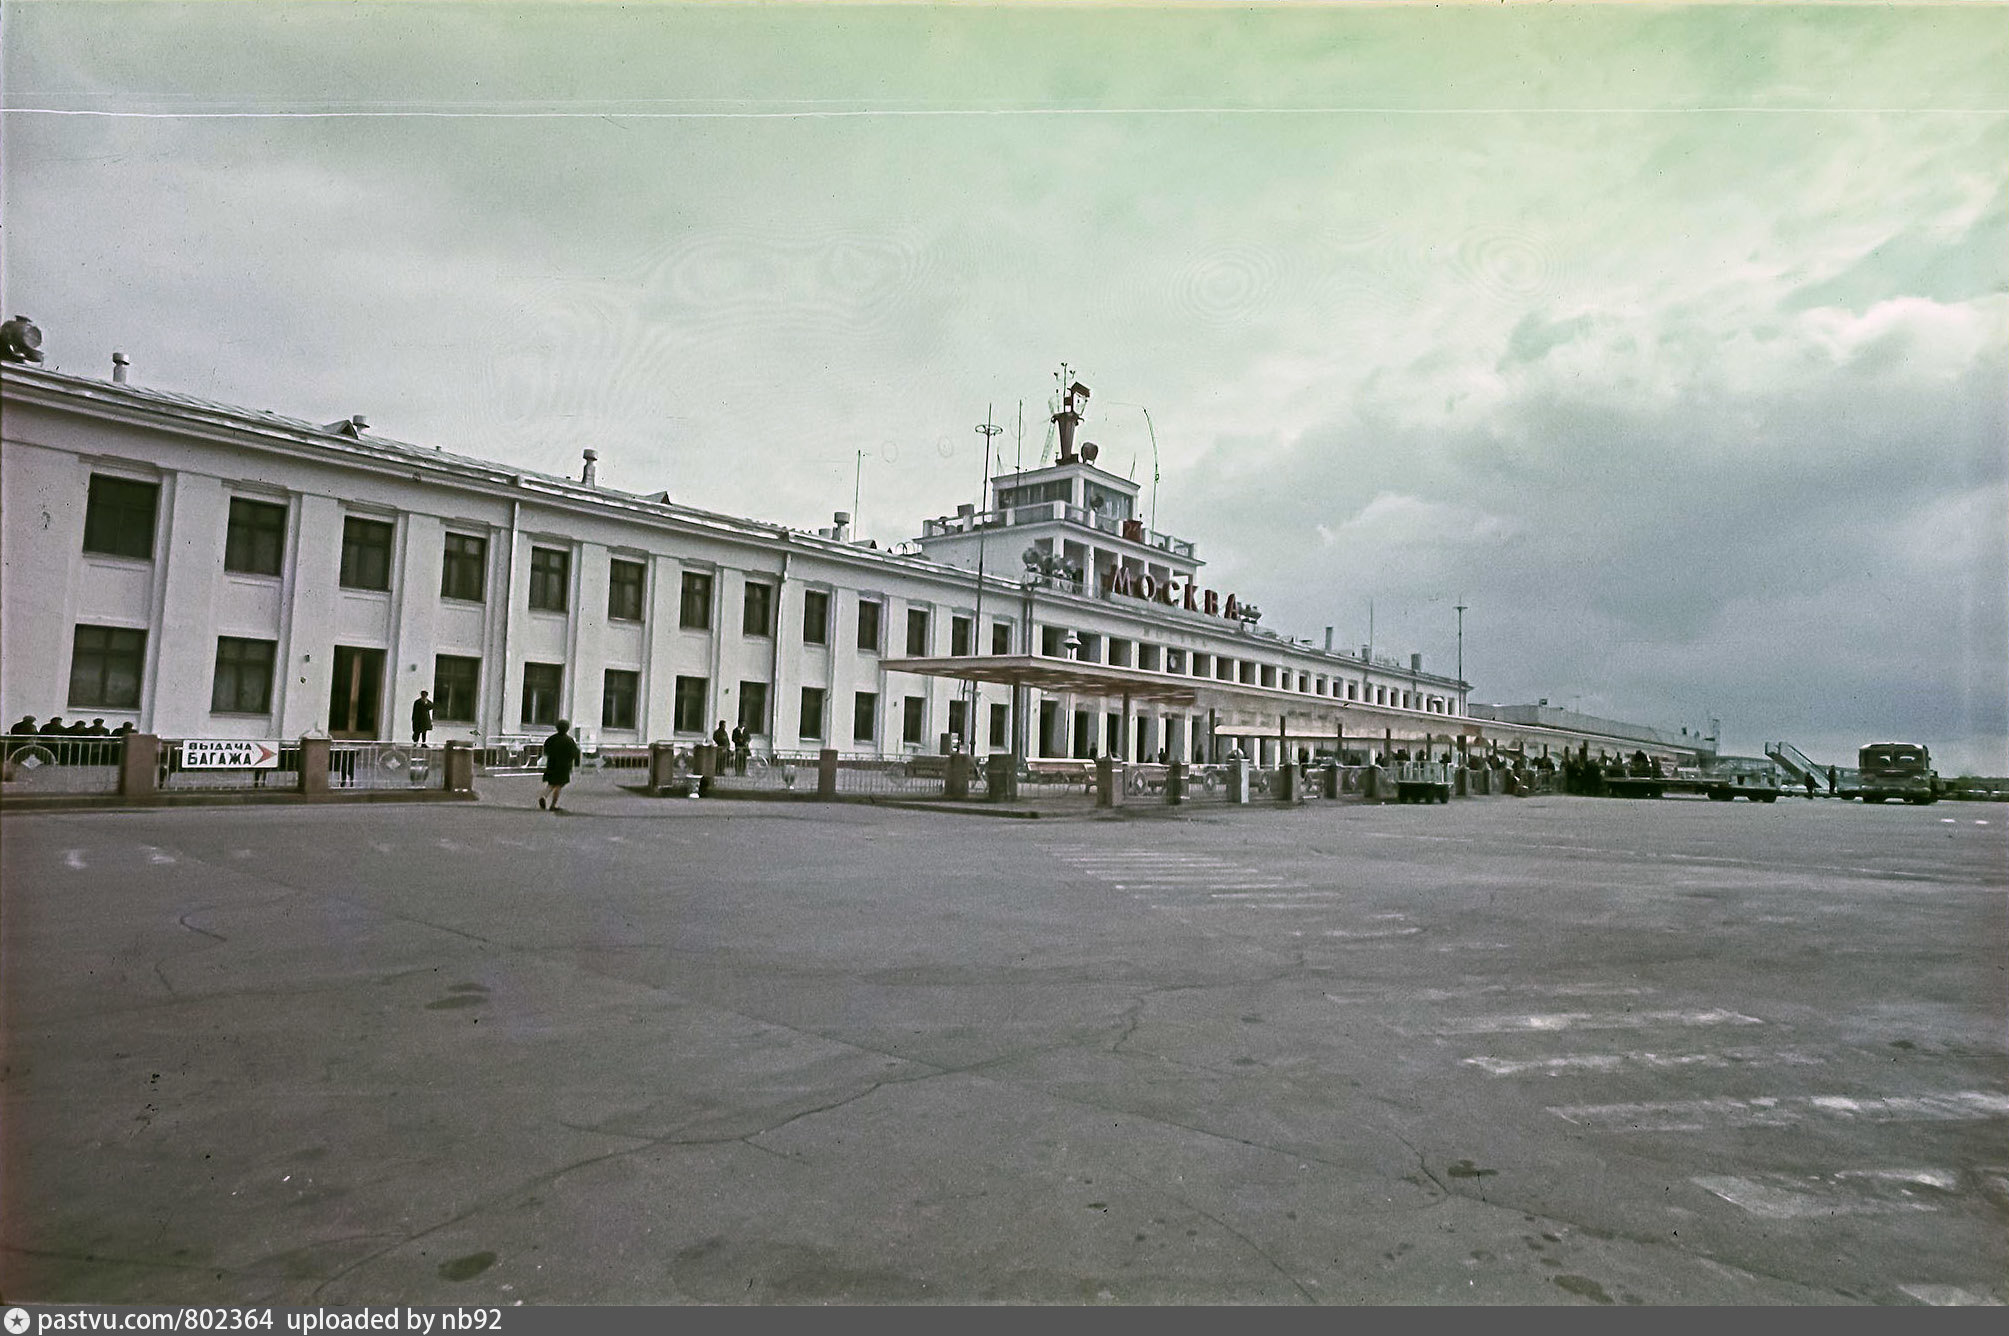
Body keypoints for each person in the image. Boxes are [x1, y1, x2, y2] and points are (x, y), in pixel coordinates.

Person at [538, 719, 581, 812]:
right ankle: (553, 805)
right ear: (567, 728)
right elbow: (574, 753)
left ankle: (543, 796)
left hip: (552, 764)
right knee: (559, 785)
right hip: (564, 766)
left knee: (551, 783)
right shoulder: (569, 741)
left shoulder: (552, 739)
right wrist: (574, 763)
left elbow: (546, 749)